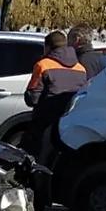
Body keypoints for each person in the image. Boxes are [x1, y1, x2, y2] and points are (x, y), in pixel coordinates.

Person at [24, 30, 87, 165]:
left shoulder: (43, 65)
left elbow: (32, 98)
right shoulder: (81, 68)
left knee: (33, 154)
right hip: (70, 121)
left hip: (45, 121)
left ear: (47, 47)